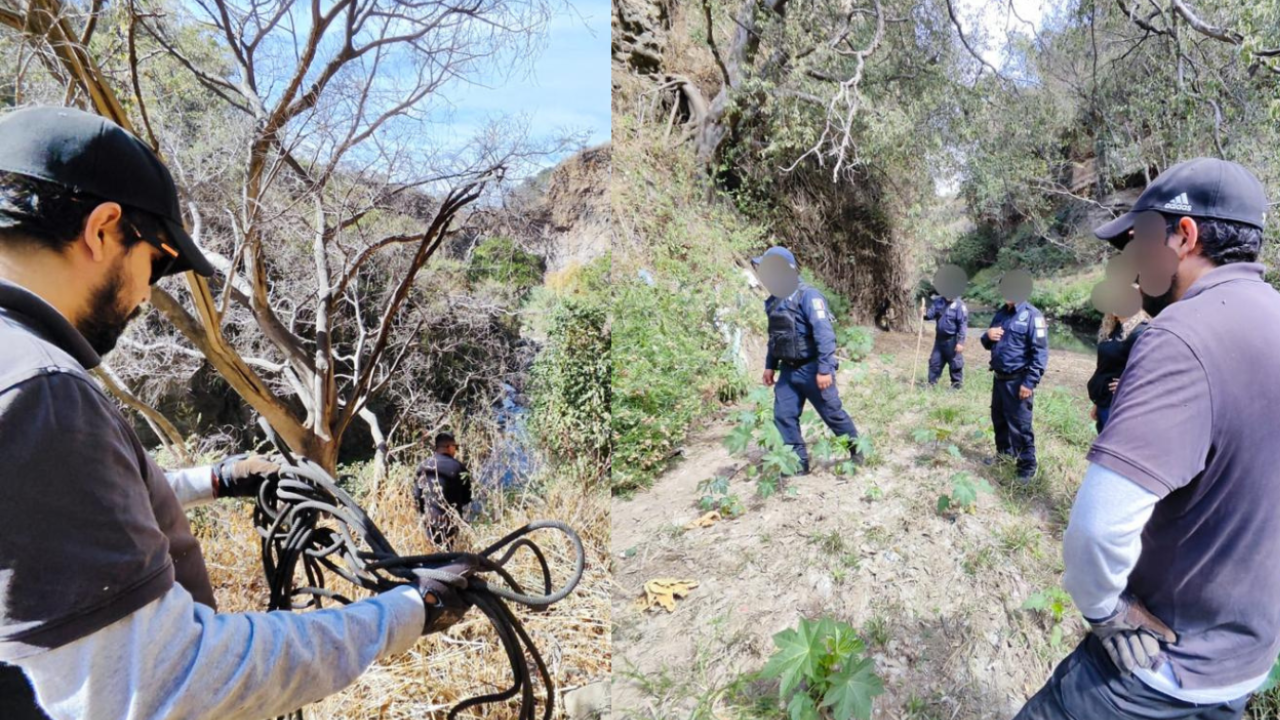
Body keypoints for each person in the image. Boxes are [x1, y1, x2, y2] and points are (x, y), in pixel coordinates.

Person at [0, 106, 469, 720]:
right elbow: (167, 681)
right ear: (103, 229)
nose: (146, 293)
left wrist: (216, 479)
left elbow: (62, 518)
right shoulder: (40, 391)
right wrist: (407, 612)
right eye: (159, 260)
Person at [1016, 158, 1280, 719]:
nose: (1131, 259)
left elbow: (1098, 527)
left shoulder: (1181, 336)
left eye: (1139, 239)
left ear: (1183, 235)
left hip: (1150, 676)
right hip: (1240, 672)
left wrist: (1105, 610)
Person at [753, 246, 861, 475]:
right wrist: (769, 366)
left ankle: (857, 452)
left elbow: (824, 334)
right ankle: (798, 464)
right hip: (788, 371)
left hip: (813, 369)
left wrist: (824, 369)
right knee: (783, 416)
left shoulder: (808, 295)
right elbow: (775, 337)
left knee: (832, 414)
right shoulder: (773, 301)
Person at [979, 273, 1049, 481]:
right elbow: (987, 343)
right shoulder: (1001, 314)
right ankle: (1004, 455)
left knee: (1020, 425)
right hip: (999, 378)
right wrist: (987, 336)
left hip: (1019, 381)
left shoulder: (1033, 316)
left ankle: (1027, 466)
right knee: (999, 419)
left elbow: (1040, 353)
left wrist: (1030, 382)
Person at [1087, 310, 1149, 432]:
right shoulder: (1113, 328)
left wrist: (1129, 384)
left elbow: (1150, 369)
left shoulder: (1141, 332)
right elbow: (1106, 367)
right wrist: (1097, 403)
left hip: (1120, 405)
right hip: (1104, 401)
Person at [413, 432, 473, 547]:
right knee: (449, 551)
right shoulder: (459, 467)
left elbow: (416, 496)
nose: (456, 450)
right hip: (451, 522)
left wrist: (423, 515)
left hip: (429, 521)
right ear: (449, 447)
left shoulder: (423, 466)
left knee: (432, 551)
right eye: (455, 447)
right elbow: (467, 498)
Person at [924, 292, 968, 389]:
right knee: (935, 362)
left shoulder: (960, 305)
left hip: (952, 340)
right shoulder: (938, 301)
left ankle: (956, 385)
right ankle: (931, 383)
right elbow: (929, 315)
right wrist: (923, 313)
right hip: (939, 339)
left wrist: (960, 342)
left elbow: (962, 325)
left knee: (955, 363)